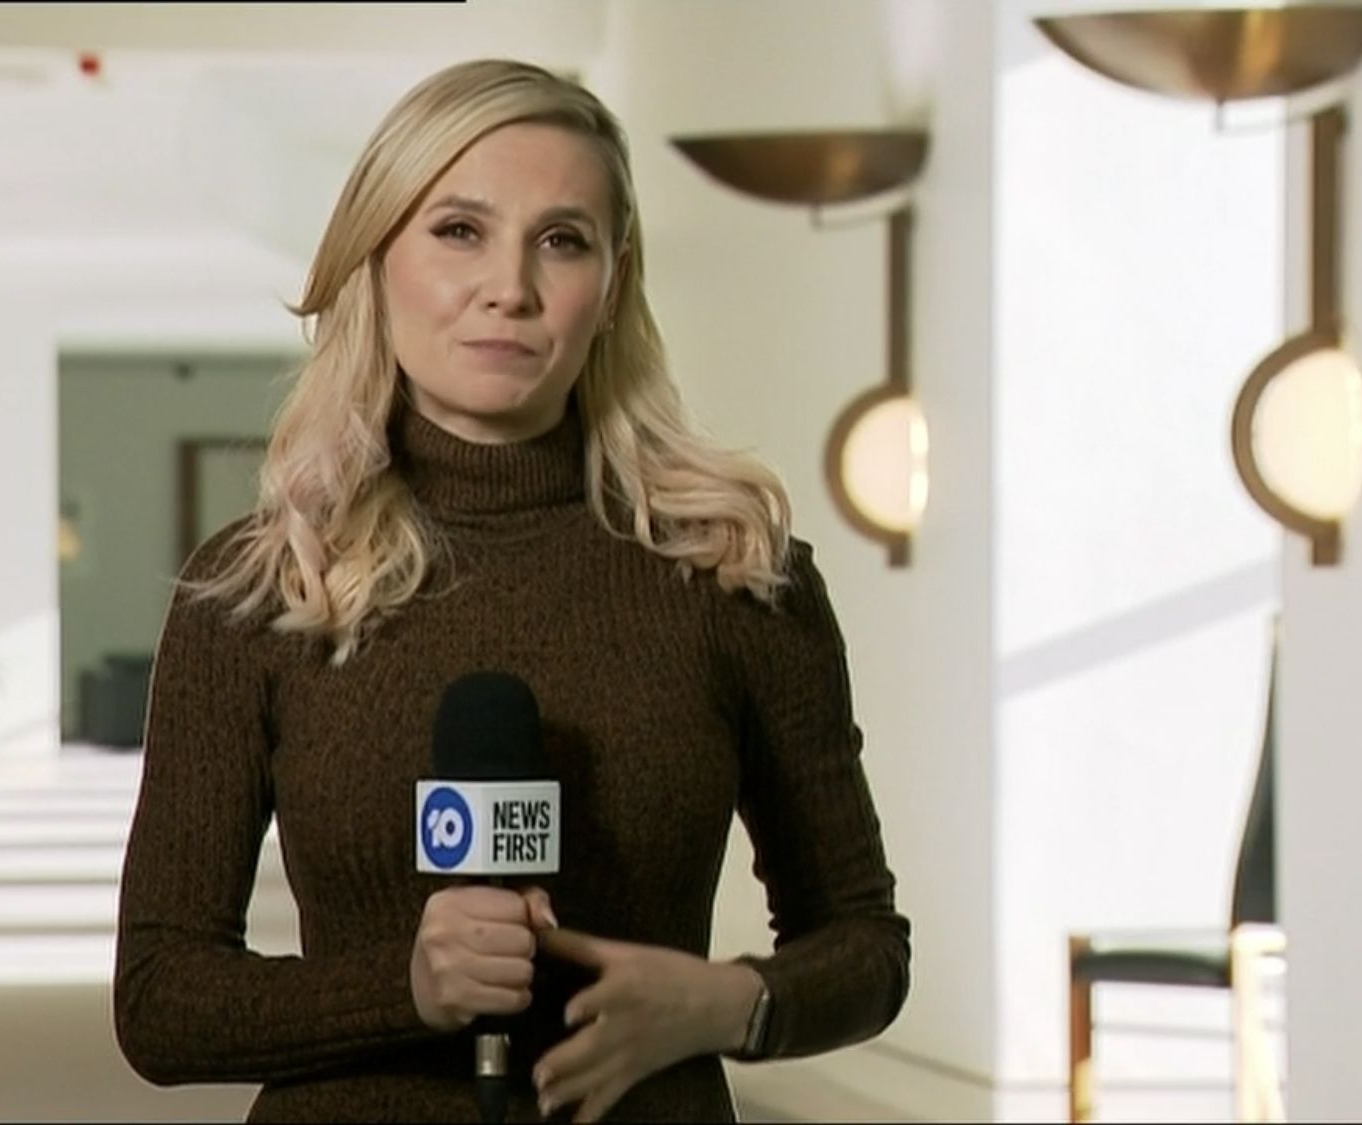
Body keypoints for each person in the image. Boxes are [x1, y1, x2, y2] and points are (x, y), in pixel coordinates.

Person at [112, 58, 909, 1123]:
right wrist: (402, 988)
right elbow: (160, 999)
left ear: (611, 284)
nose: (509, 287)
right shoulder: (261, 588)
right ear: (375, 259)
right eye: (459, 231)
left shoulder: (735, 575)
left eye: (561, 240)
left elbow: (863, 944)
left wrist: (727, 1003)